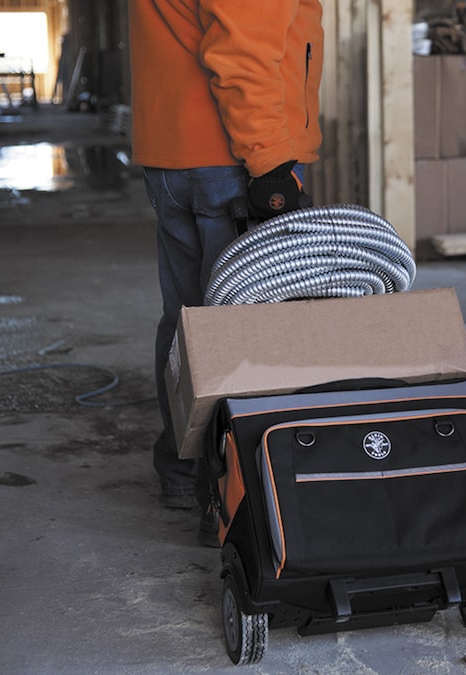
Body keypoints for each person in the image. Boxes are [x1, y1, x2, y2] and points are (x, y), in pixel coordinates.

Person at [128, 1, 324, 542]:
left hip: (173, 151)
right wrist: (270, 162)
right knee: (244, 329)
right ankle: (235, 494)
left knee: (187, 320)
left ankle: (184, 469)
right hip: (232, 155)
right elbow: (243, 51)